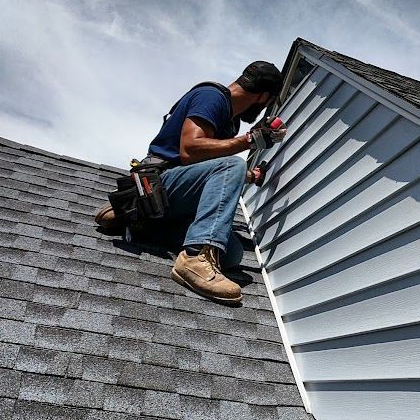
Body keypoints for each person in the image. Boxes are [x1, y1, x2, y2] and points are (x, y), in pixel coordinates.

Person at [95, 61, 286, 305]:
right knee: (233, 165)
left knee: (232, 253)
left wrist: (252, 176)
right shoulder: (212, 97)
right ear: (263, 97)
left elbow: (210, 166)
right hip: (158, 183)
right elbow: (190, 150)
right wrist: (250, 140)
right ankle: (194, 258)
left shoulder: (231, 123)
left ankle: (135, 219)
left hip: (175, 194)